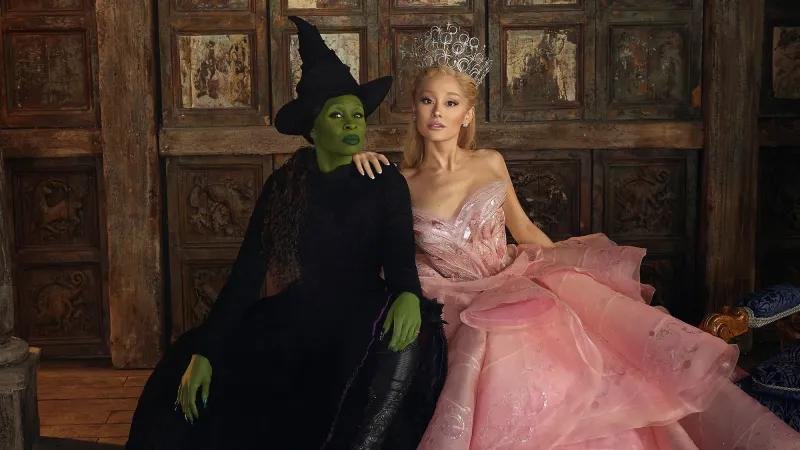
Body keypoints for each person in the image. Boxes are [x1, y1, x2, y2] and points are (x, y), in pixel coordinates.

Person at [353, 23, 800, 450]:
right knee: (477, 353)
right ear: (414, 108)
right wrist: (357, 162)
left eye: (450, 103)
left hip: (509, 283)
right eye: (427, 101)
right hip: (452, 297)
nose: (437, 112)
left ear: (467, 114)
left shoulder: (488, 162)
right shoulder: (398, 181)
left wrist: (572, 273)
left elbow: (523, 229)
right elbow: (387, 248)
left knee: (570, 356)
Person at [126, 16, 445, 450]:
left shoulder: (382, 178)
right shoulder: (285, 184)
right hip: (296, 316)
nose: (352, 124)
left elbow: (400, 255)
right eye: (338, 115)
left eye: (357, 115)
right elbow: (246, 275)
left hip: (359, 314)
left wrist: (407, 293)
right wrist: (207, 351)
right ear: (313, 128)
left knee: (399, 351)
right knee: (184, 374)